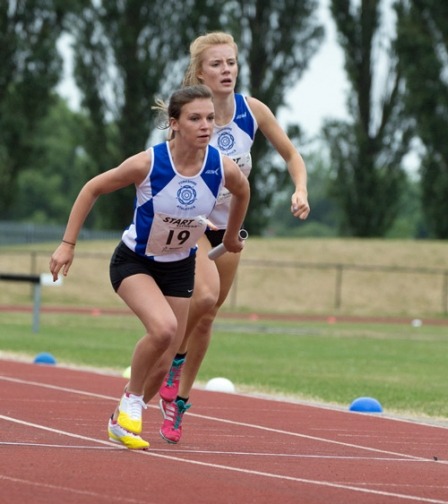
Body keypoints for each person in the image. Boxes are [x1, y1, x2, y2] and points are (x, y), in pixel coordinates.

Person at [49, 84, 250, 450]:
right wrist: (67, 244)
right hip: (135, 262)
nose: (205, 125)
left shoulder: (221, 166)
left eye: (209, 118)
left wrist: (232, 236)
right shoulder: (149, 163)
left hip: (179, 267)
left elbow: (243, 190)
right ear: (174, 123)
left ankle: (123, 419)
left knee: (168, 355)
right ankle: (130, 402)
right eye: (195, 118)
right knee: (164, 330)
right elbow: (92, 188)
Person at [157, 32, 310, 444]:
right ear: (200, 72)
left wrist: (300, 189)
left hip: (231, 228)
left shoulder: (252, 111)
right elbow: (167, 172)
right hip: (192, 225)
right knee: (202, 298)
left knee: (208, 315)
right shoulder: (190, 118)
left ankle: (178, 403)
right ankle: (171, 362)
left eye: (231, 63)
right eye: (217, 64)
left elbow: (293, 156)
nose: (227, 71)